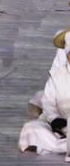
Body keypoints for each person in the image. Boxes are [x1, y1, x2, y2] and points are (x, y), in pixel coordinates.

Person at [19, 28, 70, 156]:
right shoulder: (57, 75)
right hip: (62, 126)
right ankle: (63, 145)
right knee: (31, 129)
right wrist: (54, 118)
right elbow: (48, 101)